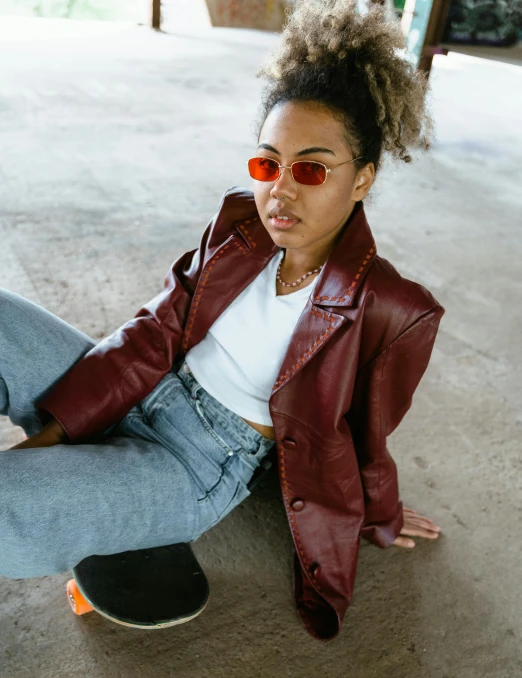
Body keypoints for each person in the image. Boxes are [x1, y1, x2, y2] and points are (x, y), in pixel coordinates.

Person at [0, 0, 444, 641]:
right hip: (144, 389)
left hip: (196, 466)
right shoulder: (240, 224)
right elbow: (155, 331)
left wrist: (380, 514)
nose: (280, 191)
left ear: (362, 179)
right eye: (267, 163)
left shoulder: (394, 308)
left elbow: (367, 434)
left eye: (312, 169)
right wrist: (60, 434)